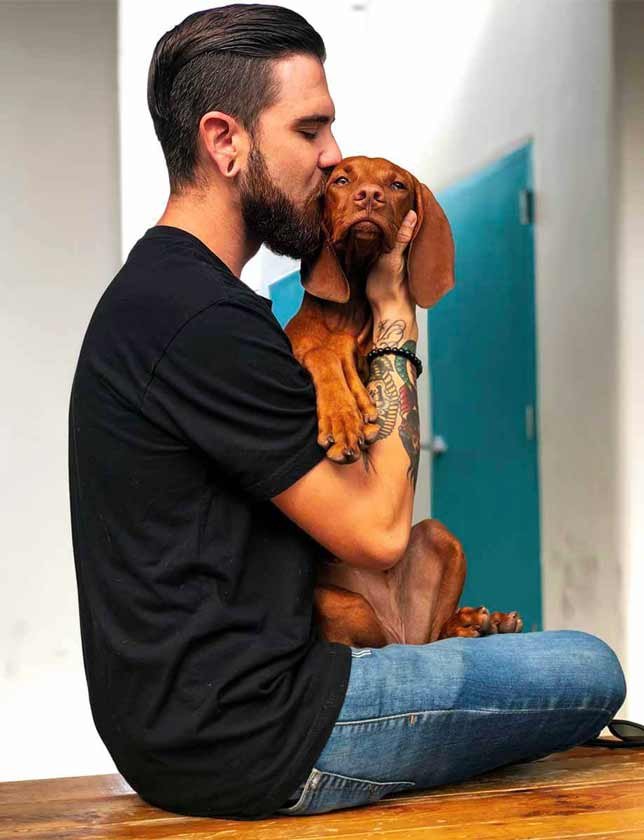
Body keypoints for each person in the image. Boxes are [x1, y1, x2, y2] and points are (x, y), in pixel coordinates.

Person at [68, 3, 627, 821]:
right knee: (589, 666)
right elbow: (376, 534)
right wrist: (395, 311)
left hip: (205, 721)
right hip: (259, 732)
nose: (333, 155)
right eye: (311, 129)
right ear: (226, 143)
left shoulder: (171, 295)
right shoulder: (200, 319)